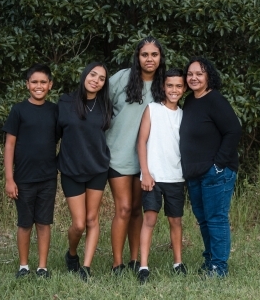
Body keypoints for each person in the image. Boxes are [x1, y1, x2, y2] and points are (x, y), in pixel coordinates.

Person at [106, 36, 166, 274]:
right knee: (123, 208)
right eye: (145, 54)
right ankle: (117, 263)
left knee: (136, 210)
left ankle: (134, 259)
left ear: (160, 58)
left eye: (154, 55)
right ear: (137, 57)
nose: (149, 59)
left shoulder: (165, 84)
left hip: (147, 160)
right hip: (118, 154)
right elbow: (101, 104)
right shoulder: (121, 78)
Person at [179, 57, 242, 277]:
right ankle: (210, 261)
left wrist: (218, 164)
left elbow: (233, 131)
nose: (193, 78)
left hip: (216, 172)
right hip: (195, 173)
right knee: (204, 219)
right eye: (190, 74)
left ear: (208, 77)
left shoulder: (215, 100)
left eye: (199, 73)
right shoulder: (189, 101)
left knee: (216, 218)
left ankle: (219, 267)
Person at [57, 61, 112, 281]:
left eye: (101, 78)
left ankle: (86, 268)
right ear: (84, 75)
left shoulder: (105, 105)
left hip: (97, 168)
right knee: (78, 224)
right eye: (93, 75)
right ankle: (72, 254)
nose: (96, 81)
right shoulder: (65, 102)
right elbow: (54, 133)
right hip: (71, 169)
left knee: (92, 219)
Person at [2, 63, 58, 279]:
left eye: (43, 82)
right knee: (25, 223)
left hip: (47, 177)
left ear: (50, 85)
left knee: (44, 222)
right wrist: (9, 178)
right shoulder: (18, 110)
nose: (38, 86)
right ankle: (24, 266)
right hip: (23, 178)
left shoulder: (54, 110)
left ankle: (42, 267)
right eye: (34, 82)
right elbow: (9, 145)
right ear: (27, 85)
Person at [136, 68, 187, 284]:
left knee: (175, 220)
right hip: (153, 177)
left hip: (176, 176)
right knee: (150, 219)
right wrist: (145, 172)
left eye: (178, 86)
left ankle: (178, 263)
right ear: (163, 87)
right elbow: (141, 142)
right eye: (169, 85)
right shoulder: (152, 109)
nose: (173, 90)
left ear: (184, 89)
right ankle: (144, 266)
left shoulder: (185, 115)